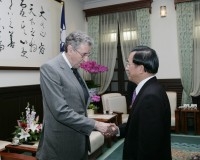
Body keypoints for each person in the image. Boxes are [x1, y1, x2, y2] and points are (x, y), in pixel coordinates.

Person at [36, 31, 116, 160]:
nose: (86, 60)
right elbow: (60, 111)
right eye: (83, 54)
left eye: (88, 54)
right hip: (61, 145)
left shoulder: (75, 69)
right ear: (70, 49)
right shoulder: (50, 68)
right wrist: (96, 125)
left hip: (79, 140)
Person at [116, 46, 172, 159]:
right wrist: (117, 130)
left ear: (140, 68)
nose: (126, 68)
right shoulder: (149, 89)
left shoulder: (151, 96)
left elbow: (149, 145)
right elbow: (138, 125)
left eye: (129, 64)